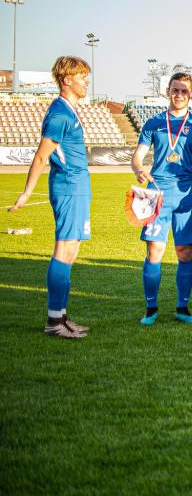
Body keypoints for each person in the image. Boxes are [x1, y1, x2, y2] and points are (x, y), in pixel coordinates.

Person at [10, 56, 93, 338]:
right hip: (68, 187)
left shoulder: (68, 110)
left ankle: (62, 316)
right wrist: (26, 192)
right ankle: (54, 322)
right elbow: (42, 155)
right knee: (63, 250)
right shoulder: (59, 113)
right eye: (82, 76)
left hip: (77, 187)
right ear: (67, 79)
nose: (86, 81)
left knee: (71, 252)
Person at [130, 72, 192, 326]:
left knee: (184, 252)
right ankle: (151, 308)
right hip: (157, 193)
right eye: (175, 90)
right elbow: (138, 156)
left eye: (184, 91)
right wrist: (138, 169)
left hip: (186, 194)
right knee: (154, 250)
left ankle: (182, 307)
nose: (179, 95)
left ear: (191, 95)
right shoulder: (153, 123)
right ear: (168, 91)